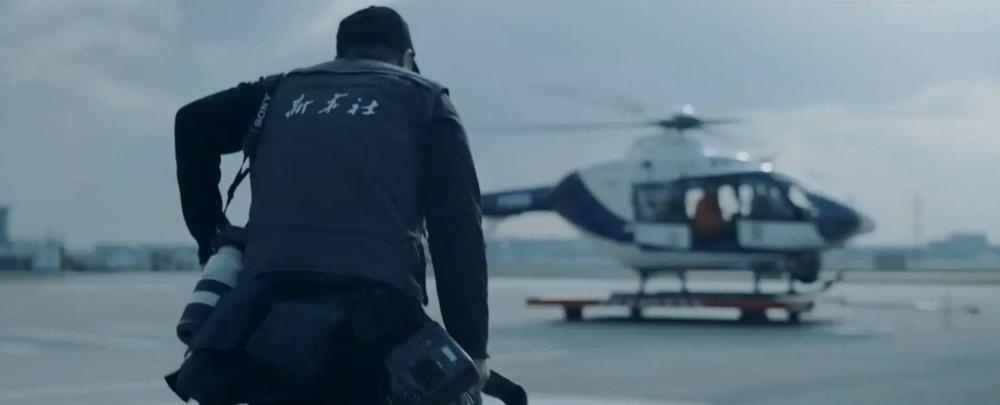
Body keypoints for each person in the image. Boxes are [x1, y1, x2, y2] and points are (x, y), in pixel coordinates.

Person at [171, 6, 489, 404]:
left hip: (268, 325)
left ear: (342, 52)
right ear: (407, 58)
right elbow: (457, 235)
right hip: (373, 329)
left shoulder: (278, 92)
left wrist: (213, 238)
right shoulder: (425, 100)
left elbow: (192, 121)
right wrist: (472, 347)